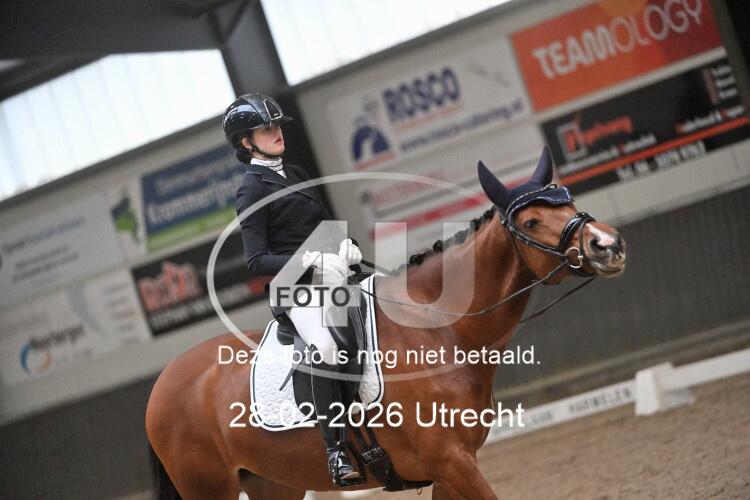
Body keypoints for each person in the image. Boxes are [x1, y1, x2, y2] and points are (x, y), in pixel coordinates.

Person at [224, 93, 363, 485]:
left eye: (277, 125)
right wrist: (308, 260)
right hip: (295, 292)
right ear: (246, 142)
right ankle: (336, 451)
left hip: (332, 279)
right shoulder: (251, 189)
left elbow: (323, 228)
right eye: (266, 129)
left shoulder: (298, 174)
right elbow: (256, 261)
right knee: (327, 348)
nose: (277, 132)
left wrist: (345, 246)